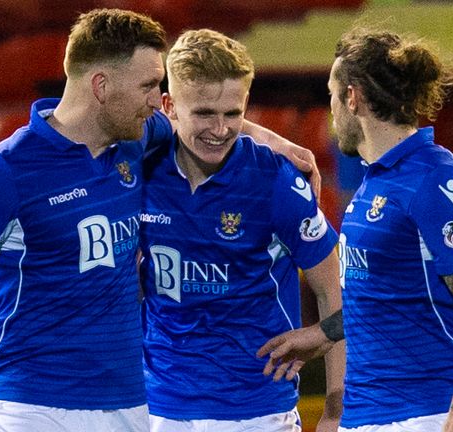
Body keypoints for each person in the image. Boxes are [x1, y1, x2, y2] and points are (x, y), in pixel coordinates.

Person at [0, 9, 321, 432]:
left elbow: (201, 120)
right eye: (148, 86)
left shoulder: (135, 141)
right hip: (33, 404)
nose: (156, 100)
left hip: (131, 406)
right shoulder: (4, 173)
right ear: (101, 85)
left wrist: (280, 143)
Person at [257, 27, 453, 432]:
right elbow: (380, 296)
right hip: (367, 413)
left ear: (353, 98)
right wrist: (322, 334)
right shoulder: (375, 182)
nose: (332, 111)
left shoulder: (436, 181)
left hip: (427, 414)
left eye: (333, 96)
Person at [138, 29, 345, 432]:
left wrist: (336, 412)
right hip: (157, 409)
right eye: (204, 113)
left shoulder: (276, 182)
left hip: (258, 412)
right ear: (169, 107)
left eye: (233, 114)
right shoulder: (140, 169)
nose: (220, 129)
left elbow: (332, 288)